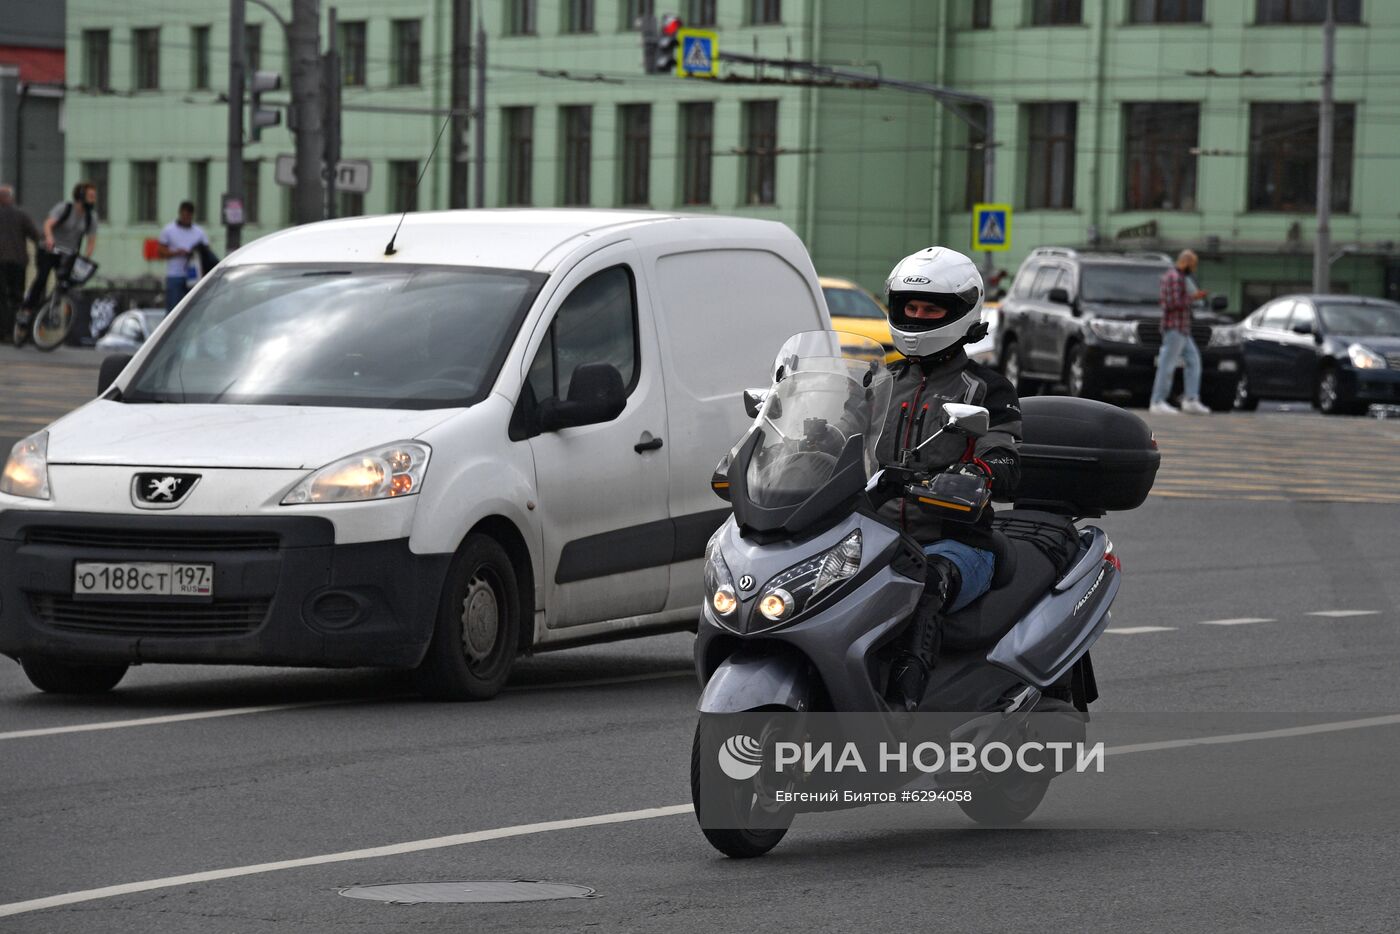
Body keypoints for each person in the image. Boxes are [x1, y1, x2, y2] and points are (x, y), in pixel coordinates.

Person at [873, 247, 1022, 710]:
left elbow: (1004, 455)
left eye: (930, 309)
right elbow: (838, 436)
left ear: (959, 313)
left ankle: (905, 703)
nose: (917, 316)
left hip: (954, 540)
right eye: (910, 308)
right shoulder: (880, 381)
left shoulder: (986, 388)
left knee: (926, 584)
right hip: (874, 535)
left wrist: (978, 473)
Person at [20, 181, 99, 321]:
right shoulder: (65, 208)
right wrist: (50, 239)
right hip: (50, 250)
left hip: (68, 253)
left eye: (94, 197)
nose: (93, 200)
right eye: (90, 196)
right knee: (42, 277)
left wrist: (85, 259)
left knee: (66, 282)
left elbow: (91, 241)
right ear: (81, 196)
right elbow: (48, 224)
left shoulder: (91, 217)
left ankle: (54, 308)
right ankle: (27, 308)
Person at [1150, 249, 1210, 415]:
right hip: (1175, 328)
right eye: (1193, 265)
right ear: (1187, 262)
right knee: (1167, 364)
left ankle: (1191, 399)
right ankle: (1157, 401)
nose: (1194, 268)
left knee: (1193, 361)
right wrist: (1194, 298)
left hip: (1182, 328)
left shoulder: (1178, 277)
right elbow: (1172, 303)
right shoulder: (1175, 278)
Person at [0, 184, 39, 342]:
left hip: (1, 262)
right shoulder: (21, 215)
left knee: (2, 298)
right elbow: (35, 235)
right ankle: (15, 331)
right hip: (18, 261)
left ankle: (3, 331)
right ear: (11, 197)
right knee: (17, 297)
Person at [156, 201, 211, 310]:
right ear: (180, 213)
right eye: (184, 215)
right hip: (175, 274)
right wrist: (176, 253)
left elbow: (207, 252)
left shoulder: (199, 232)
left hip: (194, 276)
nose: (186, 218)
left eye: (189, 216)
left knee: (193, 309)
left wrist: (195, 252)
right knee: (173, 309)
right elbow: (160, 251)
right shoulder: (169, 230)